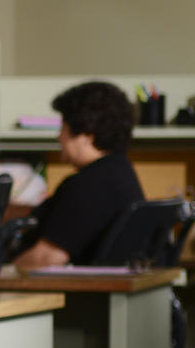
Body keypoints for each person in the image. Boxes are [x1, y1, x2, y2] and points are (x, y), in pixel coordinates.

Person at [14, 80, 143, 271]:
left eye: (63, 128)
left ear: (87, 134)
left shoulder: (89, 186)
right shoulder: (121, 172)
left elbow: (46, 258)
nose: (59, 137)